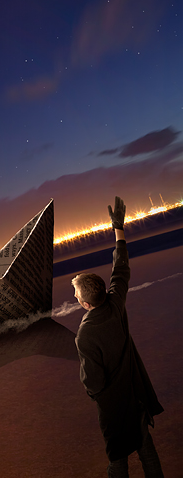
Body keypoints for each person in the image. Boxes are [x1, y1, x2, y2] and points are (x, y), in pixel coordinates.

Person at [73, 196, 164, 477]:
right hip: (136, 393)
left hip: (114, 406)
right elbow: (121, 270)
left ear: (85, 303)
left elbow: (94, 382)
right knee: (146, 448)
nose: (74, 296)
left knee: (117, 459)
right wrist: (119, 229)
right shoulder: (115, 304)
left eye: (76, 293)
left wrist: (92, 392)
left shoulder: (85, 334)